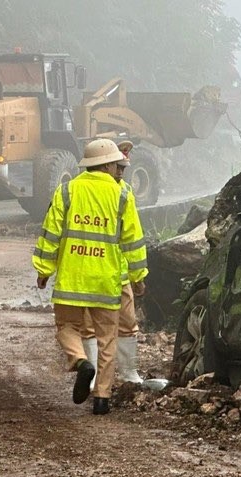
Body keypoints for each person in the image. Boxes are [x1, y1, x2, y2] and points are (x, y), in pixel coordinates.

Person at [32, 139, 148, 415]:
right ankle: (102, 399)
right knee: (108, 339)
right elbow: (133, 240)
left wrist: (44, 270)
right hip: (106, 282)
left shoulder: (67, 191)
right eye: (116, 164)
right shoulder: (122, 195)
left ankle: (81, 362)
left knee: (67, 328)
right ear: (107, 164)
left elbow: (51, 234)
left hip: (72, 280)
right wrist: (137, 276)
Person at [81, 140, 145, 386]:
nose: (121, 172)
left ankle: (129, 373)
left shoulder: (124, 193)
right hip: (92, 272)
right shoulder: (84, 191)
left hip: (116, 274)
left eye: (123, 167)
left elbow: (132, 240)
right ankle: (94, 377)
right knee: (89, 327)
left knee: (127, 323)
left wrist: (137, 276)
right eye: (118, 166)